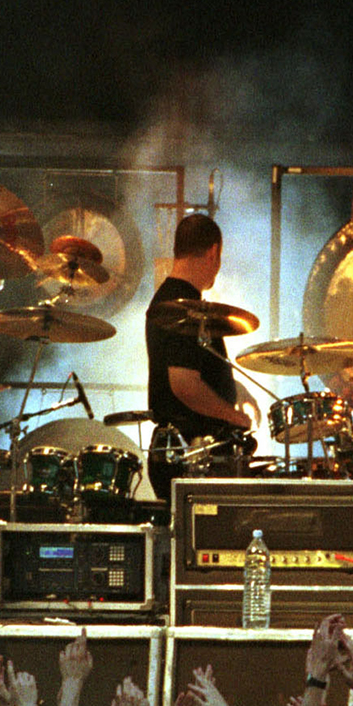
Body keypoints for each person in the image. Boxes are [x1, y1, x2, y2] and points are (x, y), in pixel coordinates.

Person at [144, 213, 255, 500]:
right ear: (213, 253)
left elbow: (195, 369)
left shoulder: (170, 300)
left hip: (183, 452)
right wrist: (233, 416)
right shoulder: (183, 309)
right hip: (192, 456)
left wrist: (234, 389)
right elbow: (184, 384)